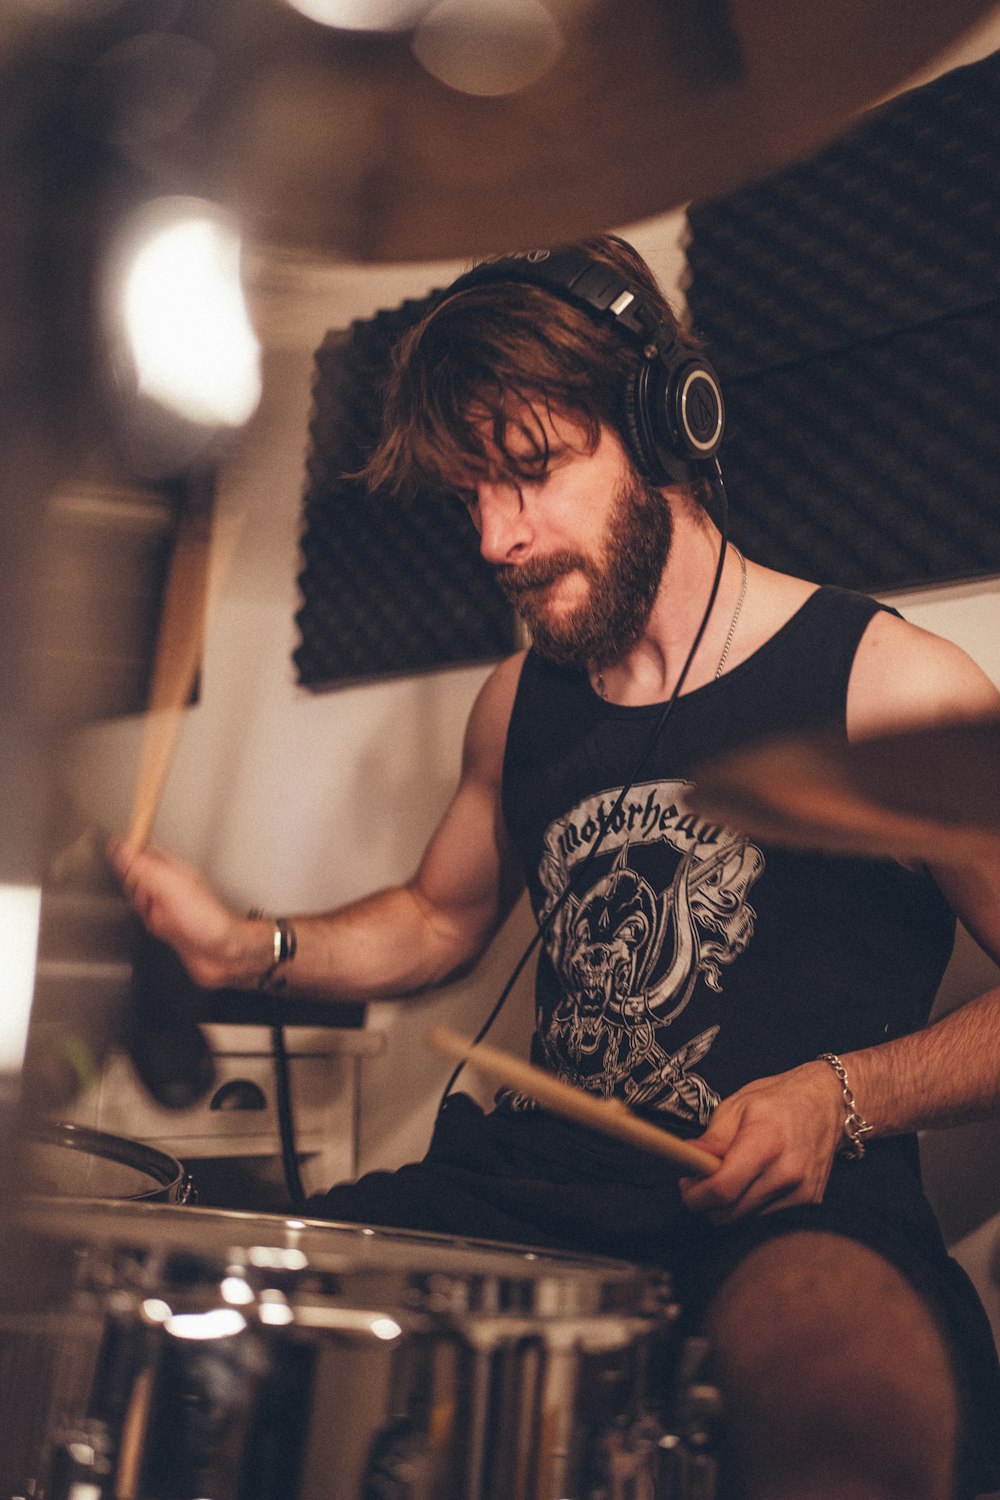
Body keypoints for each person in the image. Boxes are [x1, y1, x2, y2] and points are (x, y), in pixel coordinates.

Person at [114, 235, 1000, 1500]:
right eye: (470, 493)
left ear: (664, 425)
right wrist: (245, 946)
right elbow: (435, 919)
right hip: (527, 1190)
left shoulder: (888, 684)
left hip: (791, 1209)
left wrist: (839, 1095)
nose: (494, 537)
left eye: (528, 473)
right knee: (217, 1320)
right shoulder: (515, 705)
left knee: (839, 1389)